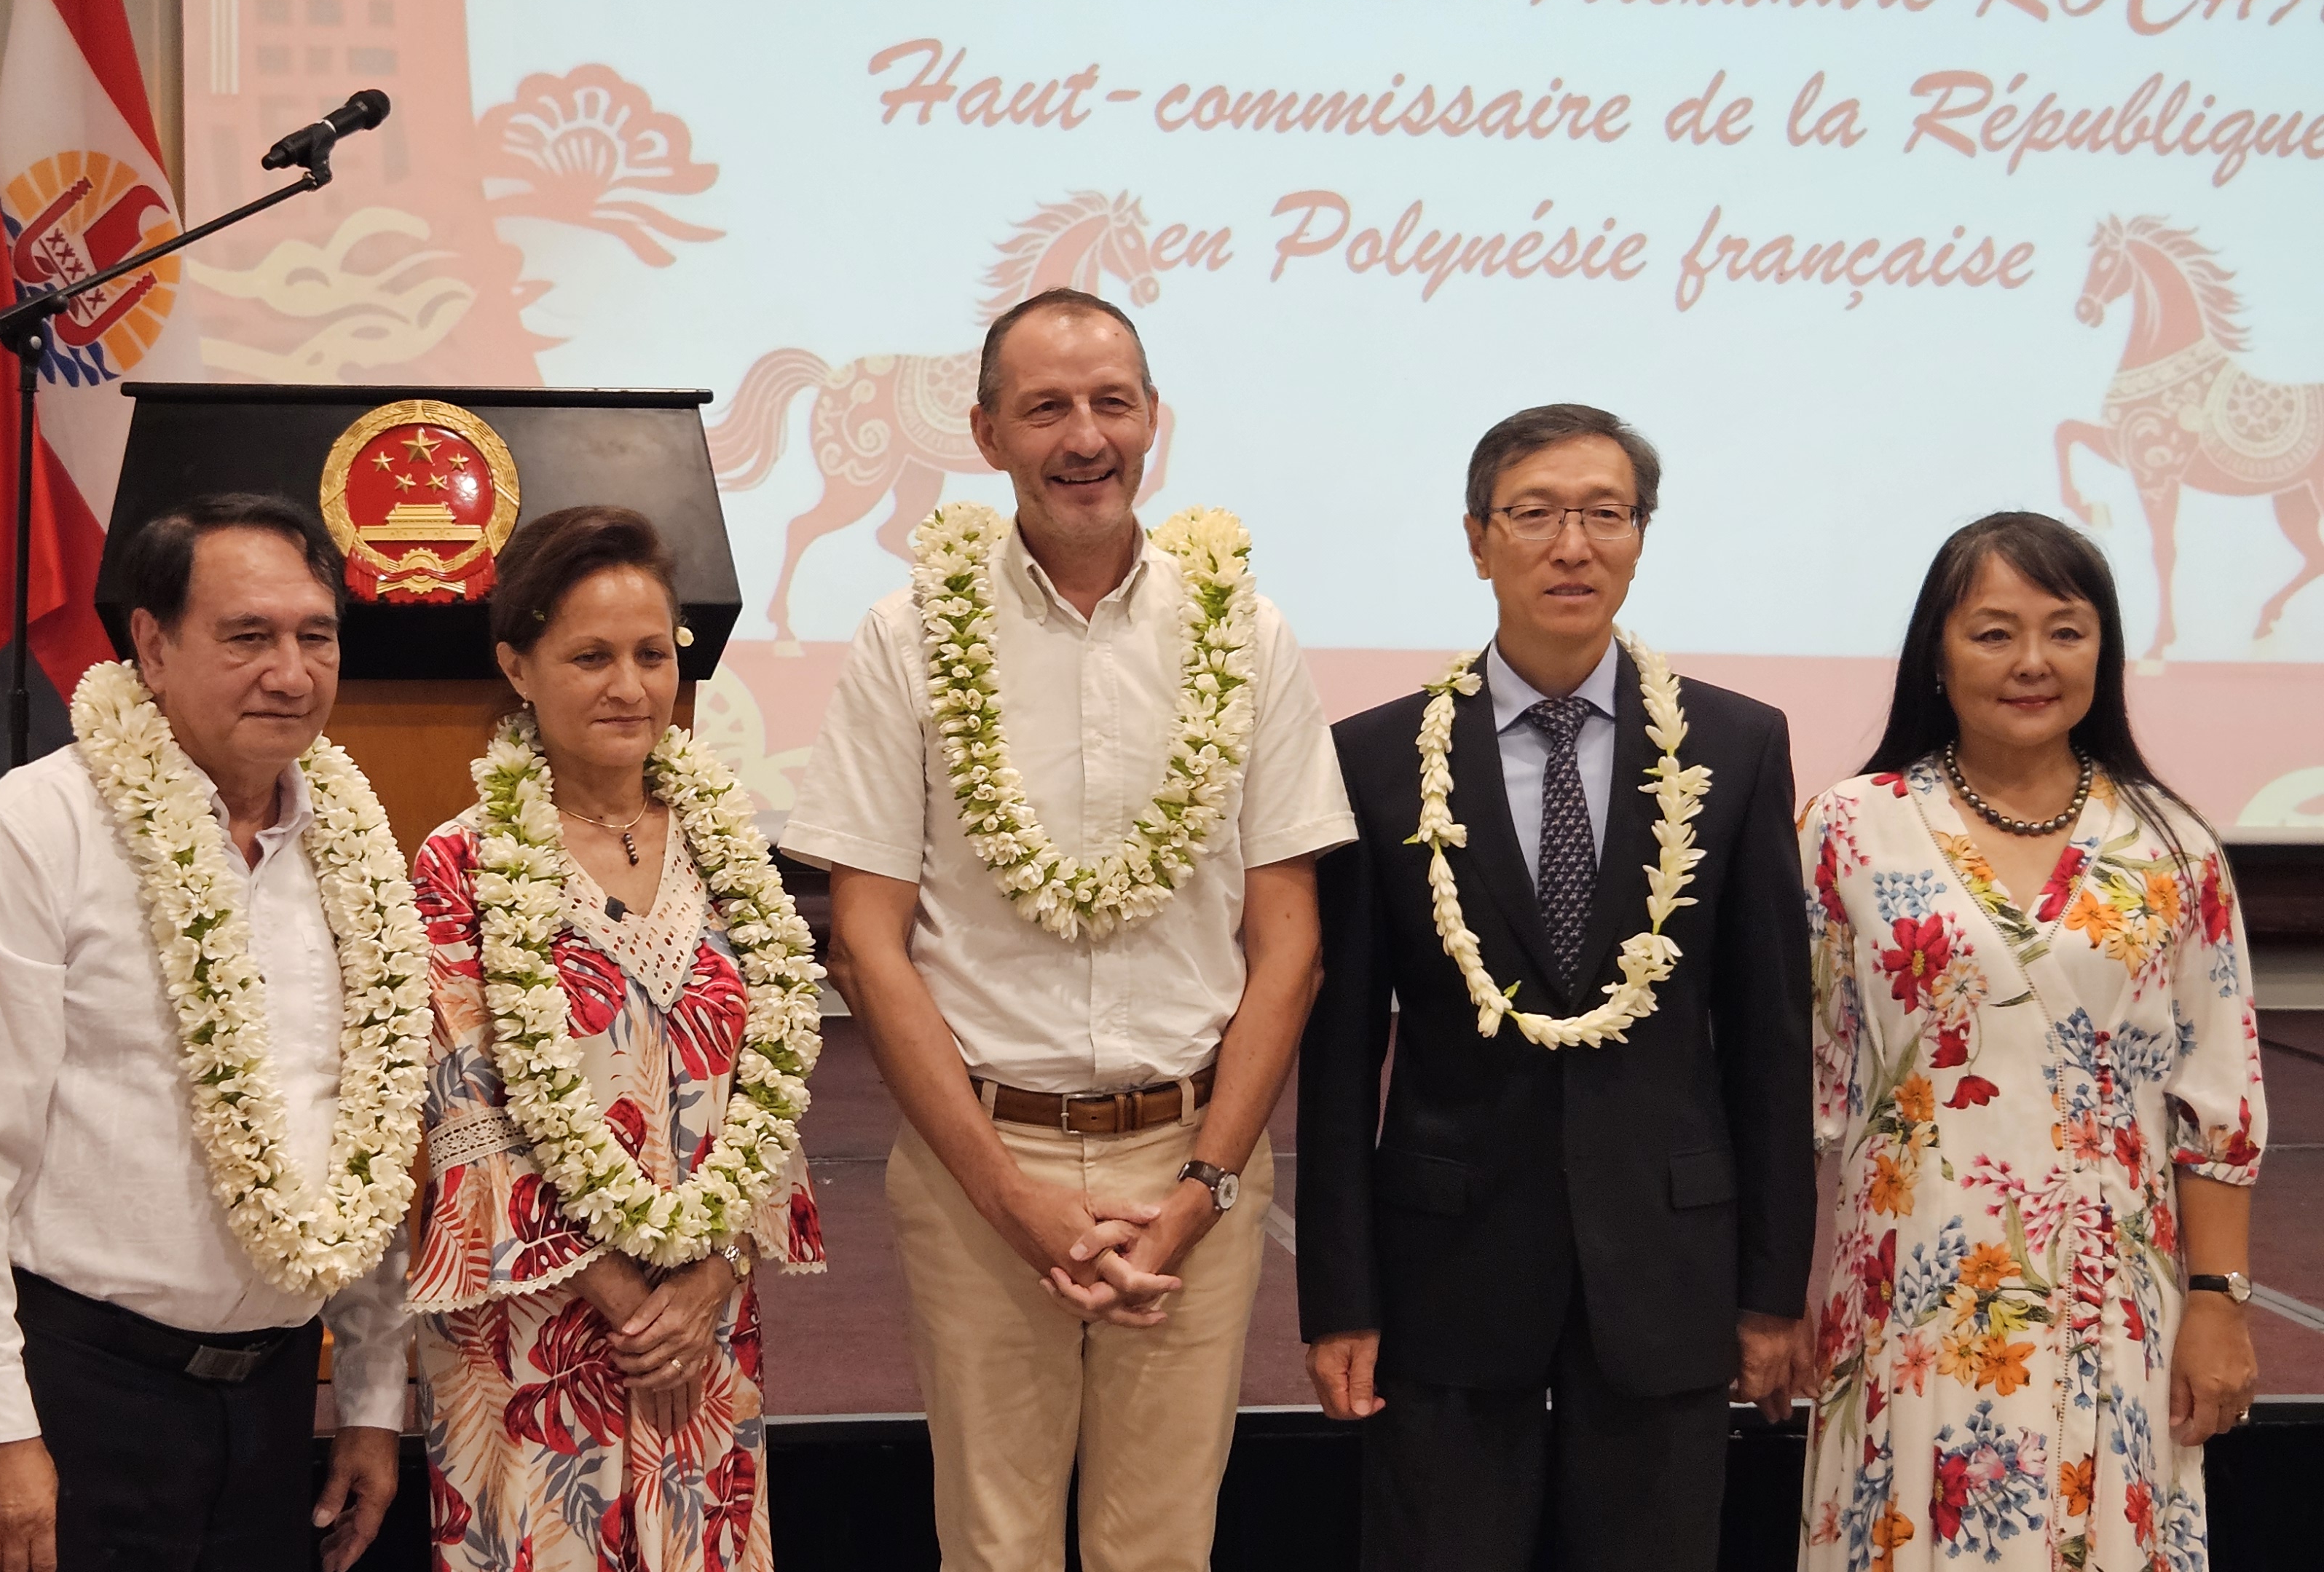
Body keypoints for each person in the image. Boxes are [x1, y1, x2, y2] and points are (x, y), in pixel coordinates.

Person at [784, 289, 1352, 1572]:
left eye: (1111, 403)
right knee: (993, 1547)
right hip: (981, 1168)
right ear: (986, 435)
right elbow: (868, 943)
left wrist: (1206, 1189)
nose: (1083, 436)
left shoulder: (1246, 635)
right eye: (1045, 407)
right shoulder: (908, 635)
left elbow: (1291, 940)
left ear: (1155, 420)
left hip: (1190, 1170)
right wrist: (1008, 1195)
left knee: (1163, 1548)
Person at [1296, 404, 1816, 1572]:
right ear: (1479, 540)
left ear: (1641, 537)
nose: (1571, 546)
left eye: (1605, 514)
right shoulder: (1375, 760)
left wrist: (1774, 1290)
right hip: (1449, 1268)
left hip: (1669, 1265)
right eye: (1534, 515)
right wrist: (1339, 1299)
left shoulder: (1737, 747)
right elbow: (1336, 1062)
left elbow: (1773, 1041)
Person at [0, 492, 433, 1572]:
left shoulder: (354, 856)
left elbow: (361, 1140)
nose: (290, 671)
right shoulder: (27, 836)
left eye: (315, 637)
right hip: (74, 1396)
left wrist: (372, 1398)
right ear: (151, 643)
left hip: (275, 1405)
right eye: (247, 637)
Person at [1799, 512, 2261, 1571]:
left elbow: (2221, 1099)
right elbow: (1801, 1078)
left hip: (2119, 1299)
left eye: (2066, 630)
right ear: (1937, 653)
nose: (2033, 664)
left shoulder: (2172, 844)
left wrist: (2219, 1306)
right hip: (1911, 1290)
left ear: (2105, 650)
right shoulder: (1850, 827)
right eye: (1994, 632)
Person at [403, 505, 826, 1572]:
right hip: (534, 1332)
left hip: (704, 1328)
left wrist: (707, 1281)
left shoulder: (732, 855)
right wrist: (625, 1300)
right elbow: (469, 1112)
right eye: (590, 656)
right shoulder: (459, 864)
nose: (630, 687)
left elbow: (768, 1099)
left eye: (653, 654)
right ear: (518, 665)